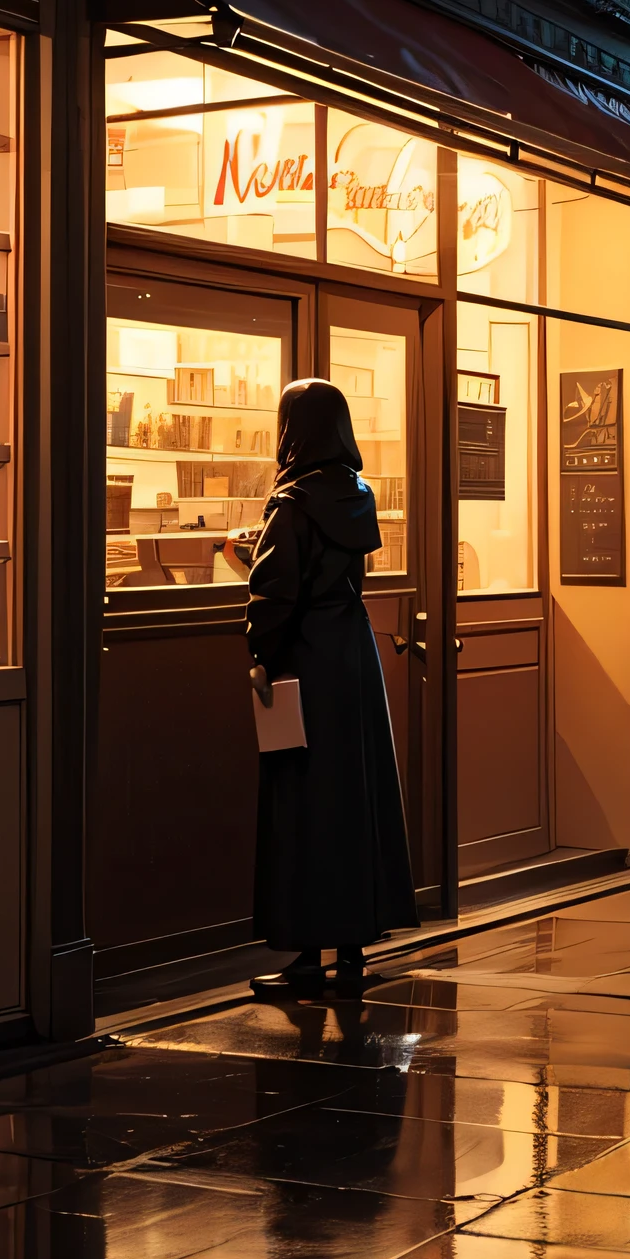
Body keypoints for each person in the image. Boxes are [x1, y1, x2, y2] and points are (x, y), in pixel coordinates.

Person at [245, 377, 417, 993]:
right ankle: (352, 951)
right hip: (353, 657)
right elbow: (339, 576)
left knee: (304, 805)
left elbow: (276, 592)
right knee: (353, 799)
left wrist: (260, 655)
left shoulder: (291, 502)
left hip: (305, 663)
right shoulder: (358, 495)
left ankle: (307, 957)